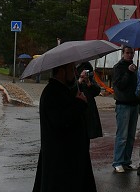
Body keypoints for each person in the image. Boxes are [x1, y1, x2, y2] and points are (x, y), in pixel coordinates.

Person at [32, 62, 96, 192]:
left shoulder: (62, 89)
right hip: (60, 163)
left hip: (67, 160)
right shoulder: (52, 92)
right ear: (61, 71)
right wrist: (79, 103)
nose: (75, 73)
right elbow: (61, 121)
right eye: (71, 69)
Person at [111, 46, 139, 174]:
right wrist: (128, 72)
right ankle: (117, 162)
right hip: (123, 104)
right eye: (127, 53)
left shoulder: (134, 66)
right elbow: (120, 85)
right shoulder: (118, 67)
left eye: (131, 53)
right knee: (122, 135)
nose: (130, 55)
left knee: (131, 136)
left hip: (134, 103)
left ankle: (126, 161)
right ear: (123, 54)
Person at [76, 61, 103, 141]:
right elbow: (71, 91)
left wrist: (88, 82)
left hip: (89, 109)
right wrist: (80, 80)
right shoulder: (74, 73)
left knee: (87, 137)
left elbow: (96, 91)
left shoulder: (89, 75)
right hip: (78, 109)